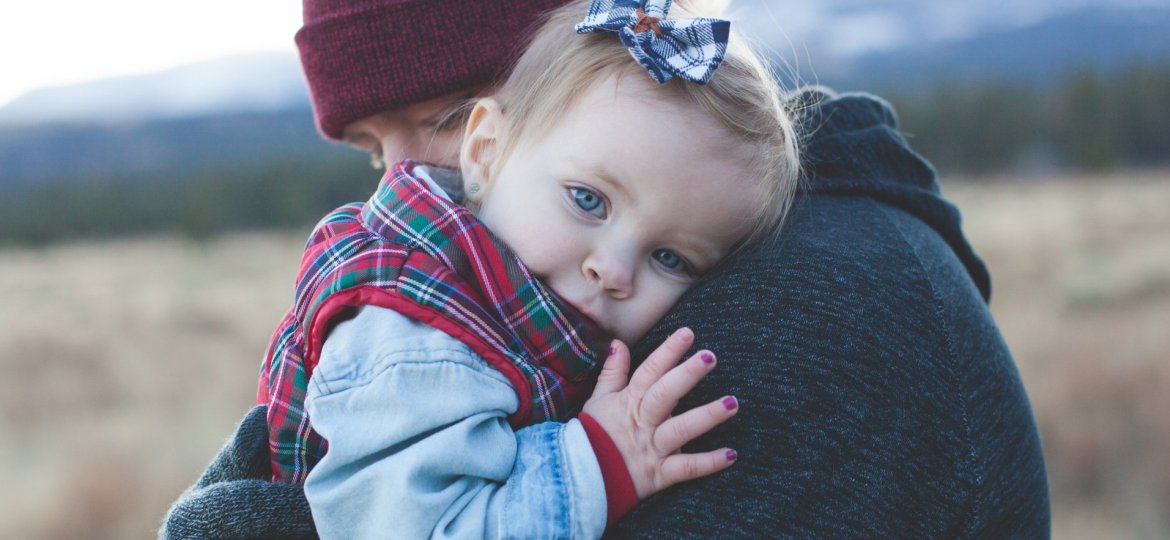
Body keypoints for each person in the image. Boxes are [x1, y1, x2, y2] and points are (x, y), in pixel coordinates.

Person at [161, 0, 1051, 538]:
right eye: (370, 148)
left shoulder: (806, 314)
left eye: (444, 117)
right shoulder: (439, 308)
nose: (400, 183)